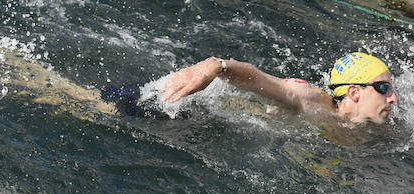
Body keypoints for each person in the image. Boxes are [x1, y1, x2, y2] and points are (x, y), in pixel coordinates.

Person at [155, 51, 397, 124]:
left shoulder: (376, 127)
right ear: (354, 92)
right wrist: (212, 67)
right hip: (198, 113)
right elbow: (257, 78)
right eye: (383, 88)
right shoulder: (311, 101)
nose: (393, 98)